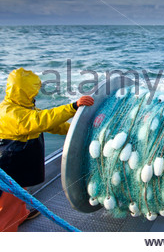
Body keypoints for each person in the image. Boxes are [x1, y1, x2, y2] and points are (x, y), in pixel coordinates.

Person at [0, 68, 94, 232]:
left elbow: (51, 124)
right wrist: (72, 107)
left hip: (20, 165)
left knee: (21, 191)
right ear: (23, 92)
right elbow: (41, 120)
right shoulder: (10, 113)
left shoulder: (21, 107)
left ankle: (21, 214)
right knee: (9, 201)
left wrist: (76, 129)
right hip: (10, 166)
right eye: (32, 93)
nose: (35, 96)